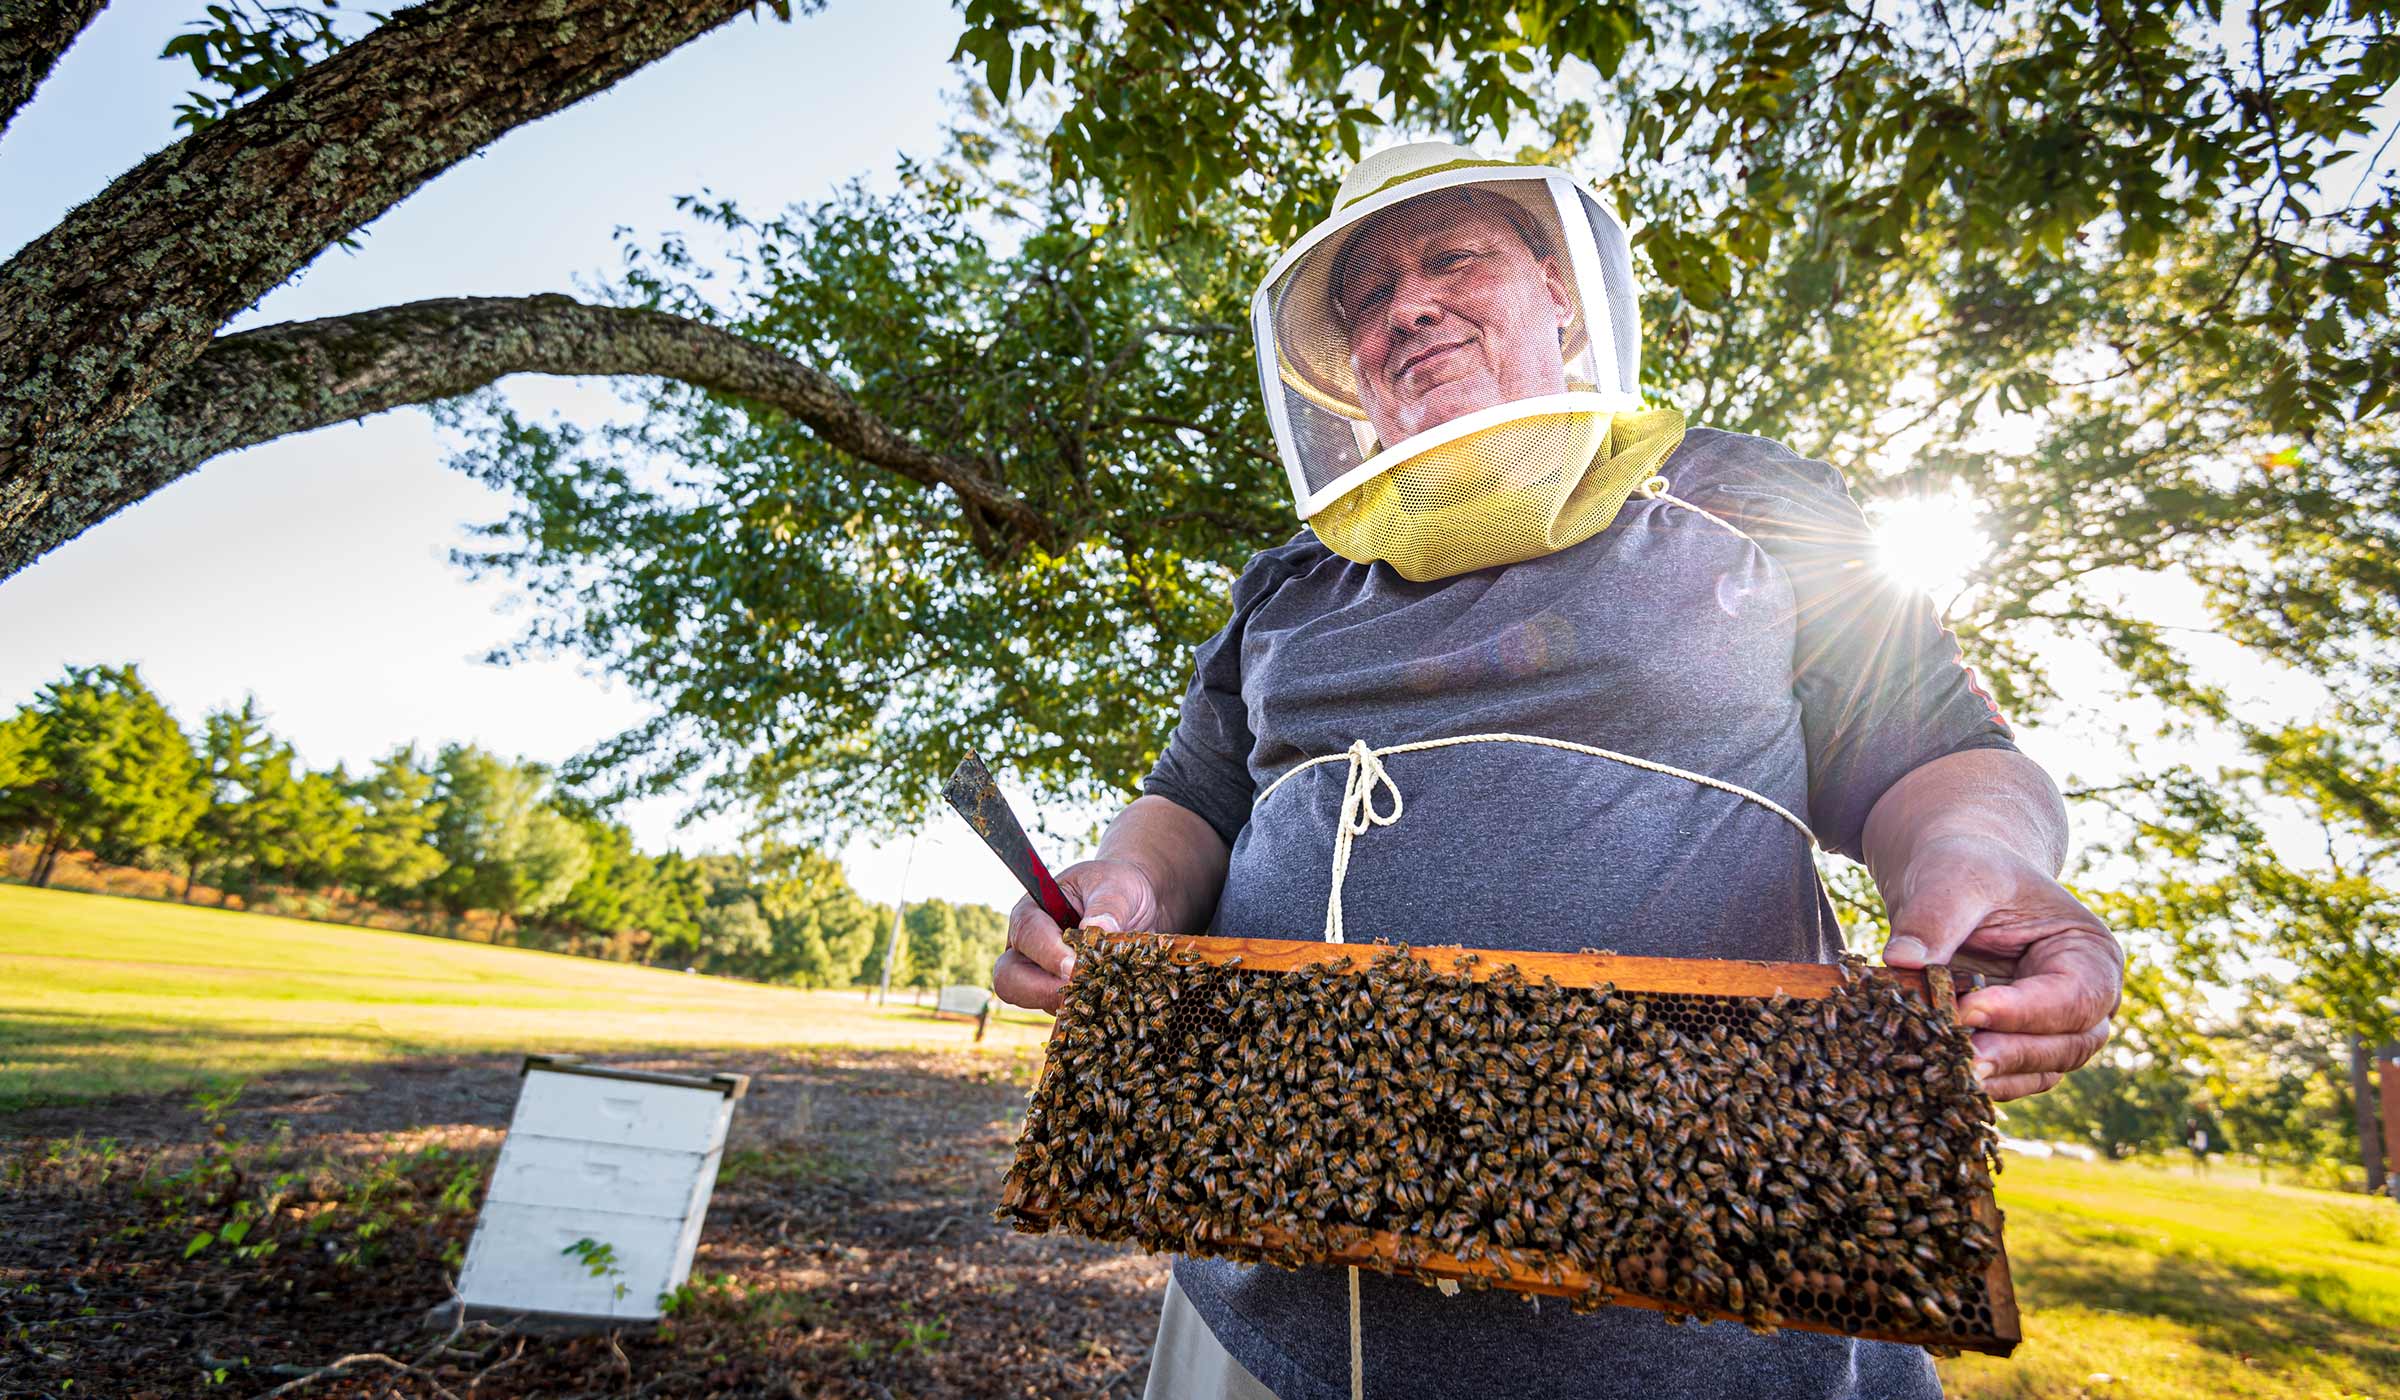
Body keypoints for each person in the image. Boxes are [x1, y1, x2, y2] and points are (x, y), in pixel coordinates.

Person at [993, 143, 2124, 1400]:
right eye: (1367, 295)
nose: (1405, 304)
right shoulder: (1287, 585)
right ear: (1348, 370)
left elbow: (1936, 750)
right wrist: (1127, 891)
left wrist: (1986, 861)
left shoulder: (1748, 499)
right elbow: (1191, 805)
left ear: (1561, 292)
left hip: (1684, 1314)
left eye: (1452, 257)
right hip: (1264, 1304)